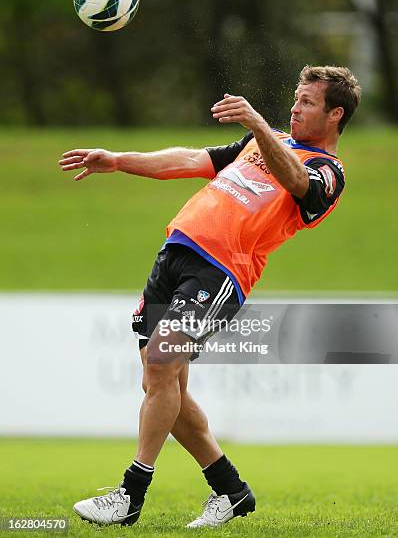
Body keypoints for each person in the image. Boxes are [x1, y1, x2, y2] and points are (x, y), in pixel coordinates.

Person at [59, 65, 361, 529]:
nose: (295, 107)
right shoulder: (263, 142)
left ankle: (129, 496)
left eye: (308, 102)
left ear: (335, 114)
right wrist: (119, 159)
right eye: (296, 98)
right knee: (165, 387)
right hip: (176, 252)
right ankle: (231, 491)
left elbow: (300, 185)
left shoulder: (329, 171)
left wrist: (259, 124)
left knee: (161, 365)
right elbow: (190, 159)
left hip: (220, 271)